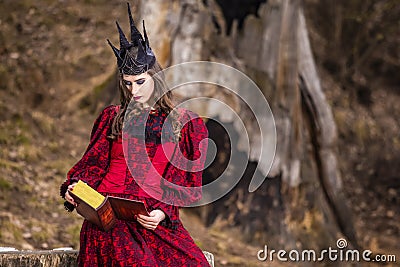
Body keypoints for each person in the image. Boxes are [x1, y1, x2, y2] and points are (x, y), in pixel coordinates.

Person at [59, 3, 210, 266]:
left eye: (140, 81)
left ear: (155, 77)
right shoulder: (112, 118)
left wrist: (162, 213)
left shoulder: (184, 123)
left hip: (152, 221)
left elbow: (185, 184)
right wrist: (75, 188)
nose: (133, 90)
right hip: (108, 220)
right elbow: (93, 166)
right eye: (127, 83)